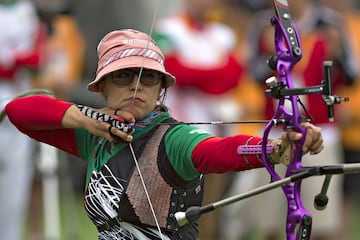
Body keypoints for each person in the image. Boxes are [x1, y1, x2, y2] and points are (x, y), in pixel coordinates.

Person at [5, 29, 324, 240]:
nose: (135, 85)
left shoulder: (173, 139)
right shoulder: (95, 136)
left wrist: (276, 148)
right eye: (122, 76)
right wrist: (85, 119)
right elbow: (19, 110)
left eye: (148, 79)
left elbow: (217, 151)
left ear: (160, 90)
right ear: (102, 87)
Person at [230, 1, 357, 239]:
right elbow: (251, 73)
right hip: (276, 132)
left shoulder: (330, 22)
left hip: (321, 134)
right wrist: (270, 53)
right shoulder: (264, 23)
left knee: (319, 221)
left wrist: (337, 53)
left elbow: (350, 75)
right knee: (271, 220)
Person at [0, 0, 47, 239]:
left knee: (17, 181)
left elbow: (40, 53)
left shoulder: (26, 9)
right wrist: (16, 62)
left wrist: (22, 61)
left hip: (17, 99)